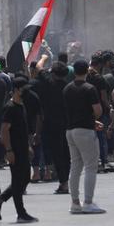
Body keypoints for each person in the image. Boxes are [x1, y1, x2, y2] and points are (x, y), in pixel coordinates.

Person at [0, 77, 38, 223]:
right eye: (24, 89)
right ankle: (21, 213)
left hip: (22, 148)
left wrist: (28, 146)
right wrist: (9, 151)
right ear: (16, 90)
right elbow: (4, 130)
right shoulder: (10, 107)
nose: (27, 92)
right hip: (14, 149)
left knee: (24, 179)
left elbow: (23, 129)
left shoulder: (21, 105)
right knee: (18, 180)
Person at [63, 59, 105, 214]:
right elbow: (98, 110)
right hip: (85, 130)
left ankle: (75, 202)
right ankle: (88, 201)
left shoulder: (67, 88)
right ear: (87, 71)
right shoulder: (90, 88)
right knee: (90, 166)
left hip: (70, 130)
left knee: (75, 166)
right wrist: (94, 119)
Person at [42, 62, 71, 195]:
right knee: (66, 153)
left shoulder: (49, 84)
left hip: (52, 124)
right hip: (68, 123)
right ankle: (65, 181)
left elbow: (40, 70)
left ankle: (63, 182)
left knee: (57, 153)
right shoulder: (68, 87)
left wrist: (43, 58)